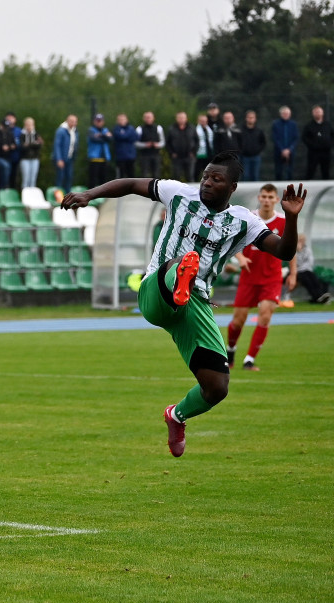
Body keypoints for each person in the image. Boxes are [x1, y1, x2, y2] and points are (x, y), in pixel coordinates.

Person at [60, 152, 305, 457]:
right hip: (157, 291)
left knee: (217, 387)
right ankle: (181, 277)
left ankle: (176, 415)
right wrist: (89, 194)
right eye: (205, 175)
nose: (207, 182)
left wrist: (292, 217)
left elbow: (283, 251)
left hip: (196, 305)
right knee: (181, 263)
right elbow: (132, 183)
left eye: (216, 179)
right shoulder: (179, 194)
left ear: (231, 186)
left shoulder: (244, 221)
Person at [225, 183, 293, 372]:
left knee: (265, 316)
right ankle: (230, 351)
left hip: (272, 278)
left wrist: (293, 274)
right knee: (238, 320)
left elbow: (291, 249)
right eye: (264, 196)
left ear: (276, 200)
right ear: (259, 198)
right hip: (248, 277)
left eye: (271, 197)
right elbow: (232, 243)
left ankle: (249, 360)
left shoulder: (283, 221)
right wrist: (240, 257)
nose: (267, 200)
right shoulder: (248, 218)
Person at [291, 233, 330, 303]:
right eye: (300, 240)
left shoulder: (308, 250)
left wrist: (303, 267)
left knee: (313, 278)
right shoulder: (293, 251)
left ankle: (319, 296)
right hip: (299, 272)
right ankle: (318, 297)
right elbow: (295, 264)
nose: (301, 242)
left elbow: (310, 262)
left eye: (303, 240)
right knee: (306, 280)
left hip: (307, 270)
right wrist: (299, 251)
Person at [301, 105, 332, 180]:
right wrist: (312, 145)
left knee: (326, 172)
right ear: (313, 114)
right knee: (310, 171)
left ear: (322, 113)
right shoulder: (309, 125)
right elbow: (304, 138)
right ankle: (306, 189)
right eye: (316, 112)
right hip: (313, 153)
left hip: (326, 152)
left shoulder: (328, 125)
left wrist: (330, 144)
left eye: (319, 112)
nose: (317, 113)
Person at [52, 114, 79, 193]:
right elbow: (57, 145)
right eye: (72, 121)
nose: (73, 123)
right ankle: (58, 197)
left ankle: (68, 196)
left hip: (70, 158)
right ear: (67, 121)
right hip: (61, 158)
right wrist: (59, 159)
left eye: (75, 122)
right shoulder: (61, 130)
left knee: (69, 177)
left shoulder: (75, 131)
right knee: (60, 177)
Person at [135, 111, 165, 178]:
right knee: (144, 174)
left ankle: (156, 188)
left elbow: (163, 142)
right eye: (146, 117)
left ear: (153, 118)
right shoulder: (139, 129)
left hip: (156, 155)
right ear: (144, 118)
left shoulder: (158, 128)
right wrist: (145, 145)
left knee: (157, 174)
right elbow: (136, 143)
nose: (148, 119)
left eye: (149, 117)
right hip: (144, 155)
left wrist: (157, 145)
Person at [167, 112, 196, 182]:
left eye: (183, 118)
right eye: (179, 118)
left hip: (189, 156)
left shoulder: (191, 128)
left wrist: (193, 152)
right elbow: (167, 142)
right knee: (176, 177)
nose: (181, 119)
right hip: (177, 157)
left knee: (190, 176)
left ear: (186, 118)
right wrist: (172, 153)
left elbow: (197, 141)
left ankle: (190, 192)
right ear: (176, 119)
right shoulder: (171, 129)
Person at [86, 113, 112, 189]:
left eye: (100, 121)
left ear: (103, 122)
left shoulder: (105, 129)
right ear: (94, 121)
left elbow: (110, 139)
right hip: (94, 158)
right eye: (97, 120)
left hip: (104, 158)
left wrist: (101, 135)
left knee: (103, 180)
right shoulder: (91, 130)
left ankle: (102, 197)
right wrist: (105, 136)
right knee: (92, 179)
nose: (99, 122)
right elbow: (95, 139)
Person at [272, 106, 298, 180]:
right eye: (284, 113)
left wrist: (289, 150)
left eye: (287, 113)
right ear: (281, 114)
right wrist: (282, 150)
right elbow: (275, 138)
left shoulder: (293, 124)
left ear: (290, 114)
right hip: (278, 152)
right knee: (278, 172)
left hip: (291, 153)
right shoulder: (276, 124)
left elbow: (295, 138)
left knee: (290, 172)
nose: (286, 115)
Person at [18, 117, 43, 189]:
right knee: (26, 178)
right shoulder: (22, 135)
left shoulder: (36, 134)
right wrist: (33, 144)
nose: (29, 126)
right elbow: (22, 147)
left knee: (33, 178)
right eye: (28, 125)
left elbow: (39, 145)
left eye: (31, 125)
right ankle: (24, 195)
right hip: (25, 159)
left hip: (35, 159)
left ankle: (32, 196)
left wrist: (29, 144)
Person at [112, 114, 138, 179]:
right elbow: (121, 136)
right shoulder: (116, 129)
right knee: (121, 176)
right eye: (120, 120)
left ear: (127, 120)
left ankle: (131, 189)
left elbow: (136, 137)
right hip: (120, 156)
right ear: (117, 121)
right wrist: (128, 136)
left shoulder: (131, 128)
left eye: (123, 119)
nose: (122, 121)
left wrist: (125, 136)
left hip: (131, 156)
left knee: (131, 175)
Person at [193, 114, 215, 179]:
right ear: (198, 121)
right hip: (199, 155)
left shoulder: (209, 130)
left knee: (209, 174)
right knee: (197, 173)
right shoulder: (195, 130)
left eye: (205, 121)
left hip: (209, 155)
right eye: (202, 121)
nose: (204, 122)